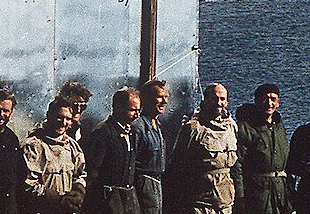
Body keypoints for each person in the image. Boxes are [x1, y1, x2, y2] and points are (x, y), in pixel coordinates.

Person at [167, 83, 239, 214]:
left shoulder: (231, 127)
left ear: (227, 102)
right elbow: (177, 166)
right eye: (214, 98)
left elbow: (235, 167)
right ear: (205, 100)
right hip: (200, 204)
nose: (218, 103)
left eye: (222, 99)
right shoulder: (194, 128)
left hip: (225, 204)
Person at [232, 84, 290, 214]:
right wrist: (240, 197)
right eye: (265, 99)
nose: (269, 103)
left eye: (273, 99)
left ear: (278, 103)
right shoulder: (245, 128)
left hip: (280, 192)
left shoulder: (279, 126)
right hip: (257, 194)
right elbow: (238, 166)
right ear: (257, 101)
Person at [24, 98, 88, 214]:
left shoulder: (72, 146)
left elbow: (80, 175)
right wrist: (58, 200)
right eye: (59, 117)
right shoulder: (34, 146)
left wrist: (78, 192)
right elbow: (29, 184)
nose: (63, 123)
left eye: (68, 119)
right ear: (49, 116)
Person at [84, 89, 142, 214]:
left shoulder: (133, 133)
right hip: (107, 202)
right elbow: (93, 171)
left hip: (128, 201)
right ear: (118, 108)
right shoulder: (102, 133)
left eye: (138, 110)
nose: (137, 115)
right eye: (132, 110)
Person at [135, 80, 171, 214]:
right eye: (160, 97)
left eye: (166, 97)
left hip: (156, 186)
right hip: (142, 187)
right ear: (146, 98)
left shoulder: (157, 126)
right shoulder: (138, 127)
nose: (164, 101)